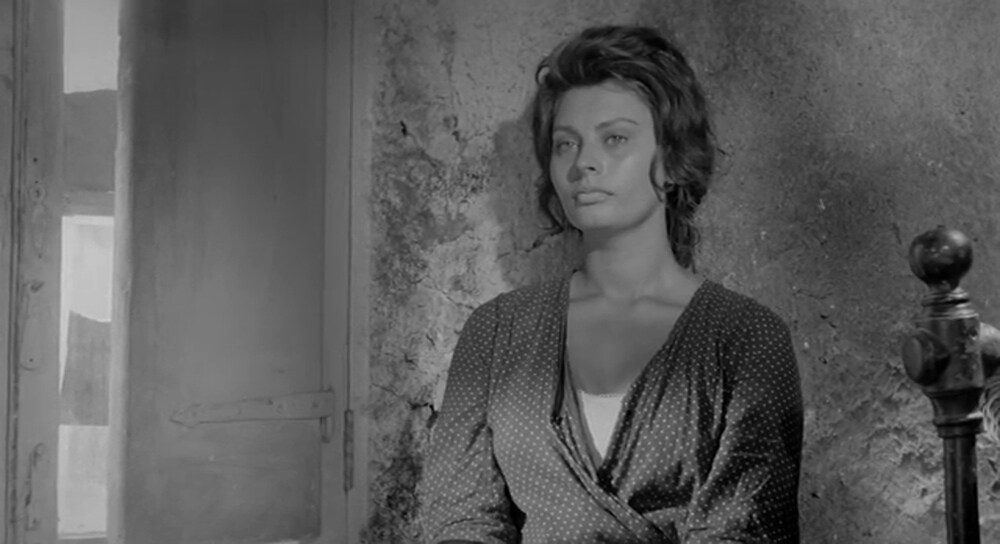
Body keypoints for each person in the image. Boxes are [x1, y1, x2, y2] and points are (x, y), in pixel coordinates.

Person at [420, 24, 803, 544]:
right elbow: (461, 518)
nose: (583, 163)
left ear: (671, 158)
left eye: (615, 138)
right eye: (565, 144)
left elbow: (745, 529)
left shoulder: (747, 340)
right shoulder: (496, 333)